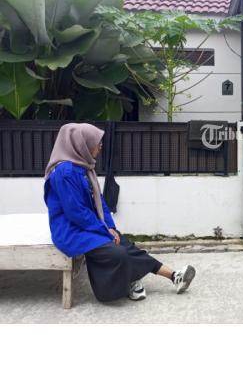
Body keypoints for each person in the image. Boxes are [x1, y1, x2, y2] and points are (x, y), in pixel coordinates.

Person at [43, 122, 195, 303]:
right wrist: (104, 230)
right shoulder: (65, 172)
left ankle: (174, 276)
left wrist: (110, 227)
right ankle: (130, 280)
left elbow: (100, 203)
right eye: (96, 142)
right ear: (83, 144)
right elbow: (76, 212)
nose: (100, 146)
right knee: (118, 253)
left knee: (124, 243)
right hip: (71, 231)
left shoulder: (84, 168)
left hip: (87, 225)